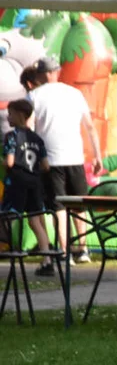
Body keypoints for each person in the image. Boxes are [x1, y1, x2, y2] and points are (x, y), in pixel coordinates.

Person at [28, 57, 102, 270]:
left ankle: (63, 251)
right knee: (78, 205)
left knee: (58, 207)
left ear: (42, 74)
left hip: (49, 160)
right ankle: (83, 249)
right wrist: (97, 155)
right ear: (57, 72)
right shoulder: (74, 94)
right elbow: (89, 126)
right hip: (75, 157)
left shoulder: (34, 96)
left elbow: (31, 129)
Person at [1, 99, 52, 261]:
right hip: (34, 183)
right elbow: (46, 166)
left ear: (20, 115)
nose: (8, 118)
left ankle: (6, 247)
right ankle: (47, 258)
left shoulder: (11, 137)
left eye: (10, 114)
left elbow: (9, 162)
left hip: (16, 183)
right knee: (35, 220)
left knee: (7, 217)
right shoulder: (37, 138)